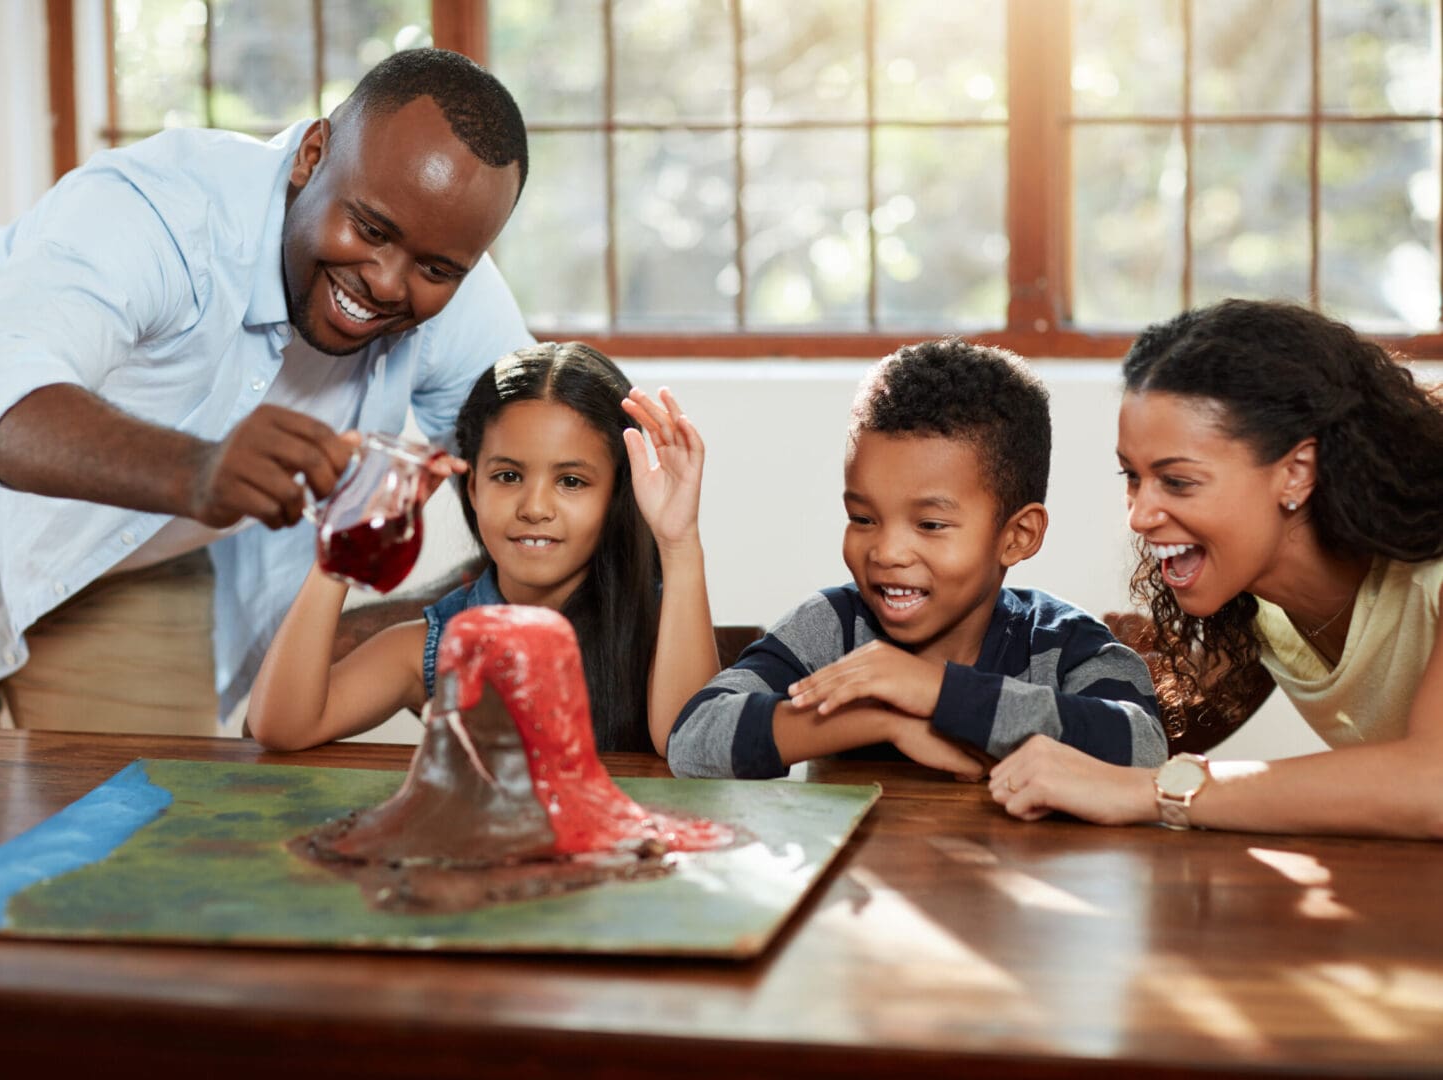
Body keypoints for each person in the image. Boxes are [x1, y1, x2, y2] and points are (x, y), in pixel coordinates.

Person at [0, 49, 534, 735]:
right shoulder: (164, 210)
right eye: (369, 228)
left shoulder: (454, 288)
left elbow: (555, 476)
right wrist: (197, 470)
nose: (386, 281)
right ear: (311, 155)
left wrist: (400, 627)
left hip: (136, 547)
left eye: (435, 269)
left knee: (144, 819)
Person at [991, 300, 1443, 839]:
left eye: (1177, 482)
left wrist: (1155, 792)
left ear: (1296, 472)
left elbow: (1431, 784)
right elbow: (1132, 738)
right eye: (1132, 477)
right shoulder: (1255, 604)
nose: (1139, 516)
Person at [666, 339, 1166, 780]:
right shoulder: (832, 629)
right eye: (863, 518)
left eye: (929, 525)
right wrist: (883, 716)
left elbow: (1144, 748)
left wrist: (940, 692)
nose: (886, 552)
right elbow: (692, 738)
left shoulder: (1062, 645)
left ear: (1017, 536)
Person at [246, 341, 719, 754]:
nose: (534, 507)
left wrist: (679, 543)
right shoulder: (436, 645)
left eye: (571, 481)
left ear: (618, 494)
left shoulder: (662, 629)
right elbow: (279, 727)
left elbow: (695, 744)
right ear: (472, 489)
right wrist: (343, 540)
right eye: (508, 476)